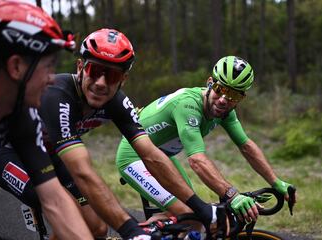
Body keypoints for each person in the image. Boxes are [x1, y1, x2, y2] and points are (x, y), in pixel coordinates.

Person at [39, 28, 218, 239]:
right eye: (95, 71)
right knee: (73, 226)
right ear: (80, 67)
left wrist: (201, 208)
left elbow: (151, 155)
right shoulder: (58, 94)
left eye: (112, 75)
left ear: (123, 79)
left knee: (97, 229)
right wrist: (130, 230)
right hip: (17, 157)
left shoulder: (118, 101)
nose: (101, 83)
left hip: (55, 160)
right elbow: (81, 170)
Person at [116, 55, 297, 224]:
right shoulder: (188, 105)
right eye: (220, 90)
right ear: (210, 83)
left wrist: (276, 182)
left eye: (233, 95)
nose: (223, 100)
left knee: (193, 218)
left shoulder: (225, 112)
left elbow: (246, 146)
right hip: (134, 157)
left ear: (242, 98)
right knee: (189, 211)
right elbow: (197, 160)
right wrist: (232, 195)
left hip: (161, 156)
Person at [0, 1, 94, 239]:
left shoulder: (23, 114)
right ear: (16, 67)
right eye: (48, 66)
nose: (52, 79)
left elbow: (54, 198)